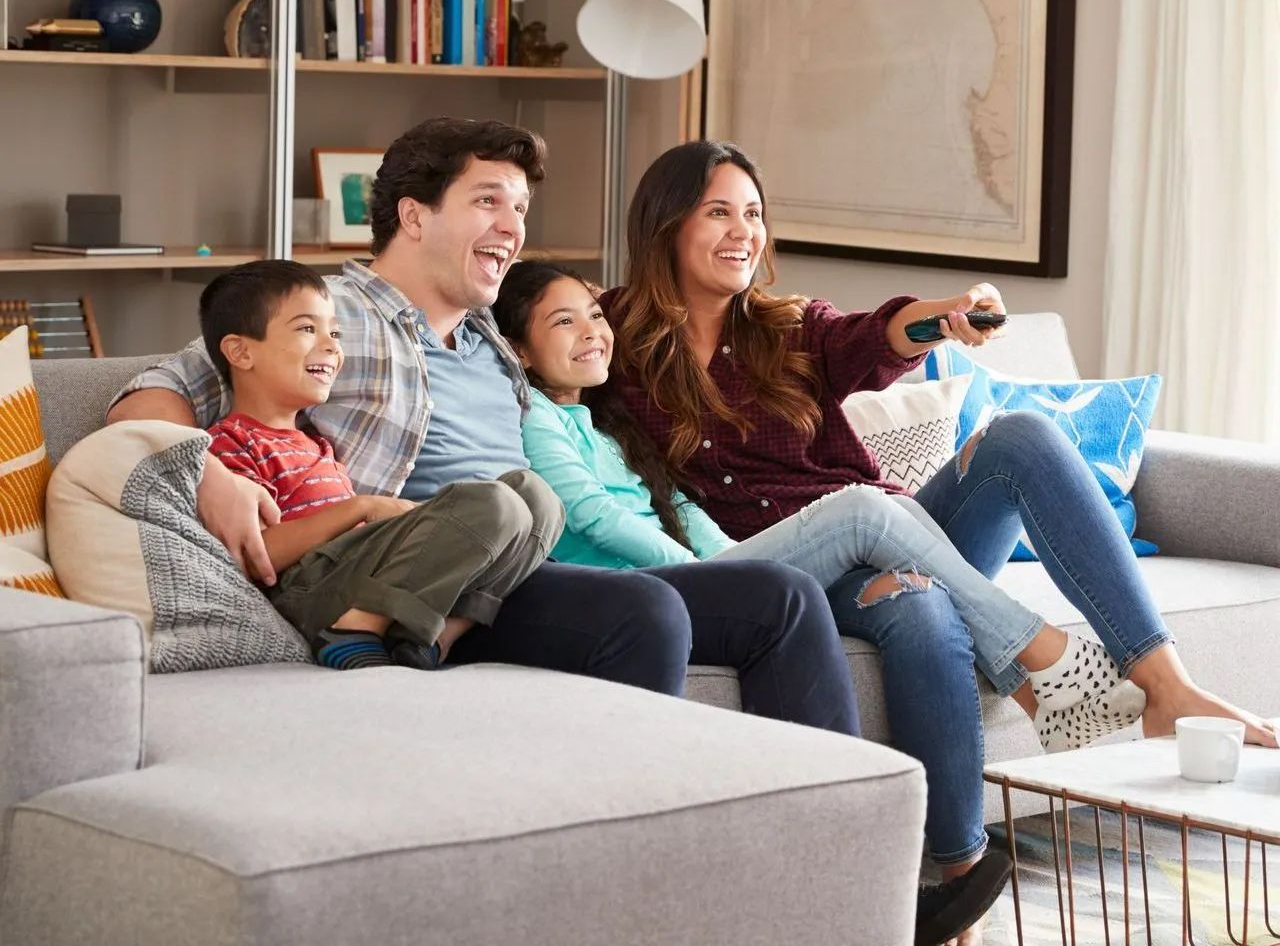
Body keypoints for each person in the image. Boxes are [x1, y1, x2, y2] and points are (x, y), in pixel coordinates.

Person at [107, 117, 1010, 946]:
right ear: (414, 217)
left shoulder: (495, 342)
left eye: (522, 207)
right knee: (643, 617)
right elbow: (158, 384)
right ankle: (641, 900)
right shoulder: (332, 308)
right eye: (488, 201)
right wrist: (210, 467)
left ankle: (849, 885)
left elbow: (614, 398)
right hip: (414, 581)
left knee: (775, 596)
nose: (512, 225)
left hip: (522, 568)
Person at [599, 138, 1277, 891]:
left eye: (753, 214)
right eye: (718, 212)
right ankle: (961, 875)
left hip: (895, 530)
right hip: (787, 576)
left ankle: (1167, 686)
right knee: (921, 611)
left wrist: (948, 316)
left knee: (1021, 437)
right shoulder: (608, 338)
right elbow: (537, 379)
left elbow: (881, 334)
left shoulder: (787, 328)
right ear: (665, 225)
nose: (743, 233)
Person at [492, 258, 1144, 749]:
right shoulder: (536, 421)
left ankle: (1044, 688)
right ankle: (1044, 657)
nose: (591, 331)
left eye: (594, 315)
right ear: (519, 350)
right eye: (563, 321)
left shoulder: (603, 422)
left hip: (705, 571)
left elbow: (679, 507)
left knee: (887, 520)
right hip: (648, 591)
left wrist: (731, 561)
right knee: (862, 510)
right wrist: (706, 571)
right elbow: (598, 518)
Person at [199, 258, 561, 670]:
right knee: (494, 502)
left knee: (536, 497)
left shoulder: (317, 443)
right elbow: (256, 555)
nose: (333, 346)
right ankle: (354, 629)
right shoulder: (231, 441)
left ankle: (440, 635)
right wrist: (361, 507)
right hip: (311, 591)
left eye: (334, 332)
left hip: (362, 571)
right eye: (306, 329)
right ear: (240, 351)